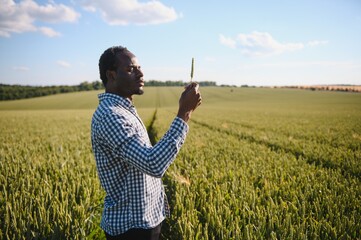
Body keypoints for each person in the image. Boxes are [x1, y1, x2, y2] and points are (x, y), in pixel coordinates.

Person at [91, 46, 201, 240]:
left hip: (143, 220)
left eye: (139, 67)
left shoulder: (123, 110)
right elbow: (153, 164)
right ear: (111, 75)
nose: (141, 73)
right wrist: (184, 113)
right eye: (131, 69)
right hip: (131, 228)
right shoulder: (111, 116)